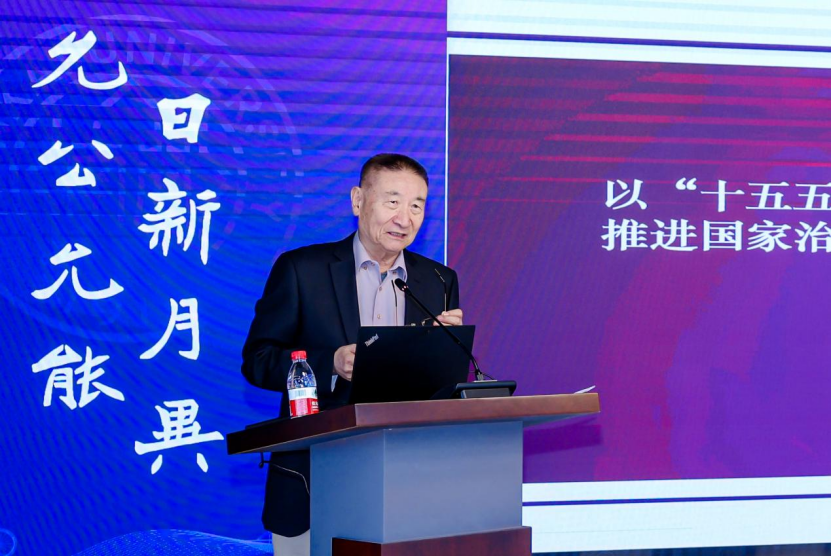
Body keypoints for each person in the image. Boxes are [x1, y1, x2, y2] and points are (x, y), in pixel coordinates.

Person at [241, 153, 464, 556]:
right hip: (313, 481)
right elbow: (258, 360)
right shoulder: (302, 269)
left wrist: (443, 353)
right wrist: (330, 364)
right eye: (392, 201)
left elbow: (441, 390)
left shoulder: (438, 281)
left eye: (417, 206)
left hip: (407, 483)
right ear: (358, 201)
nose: (405, 218)